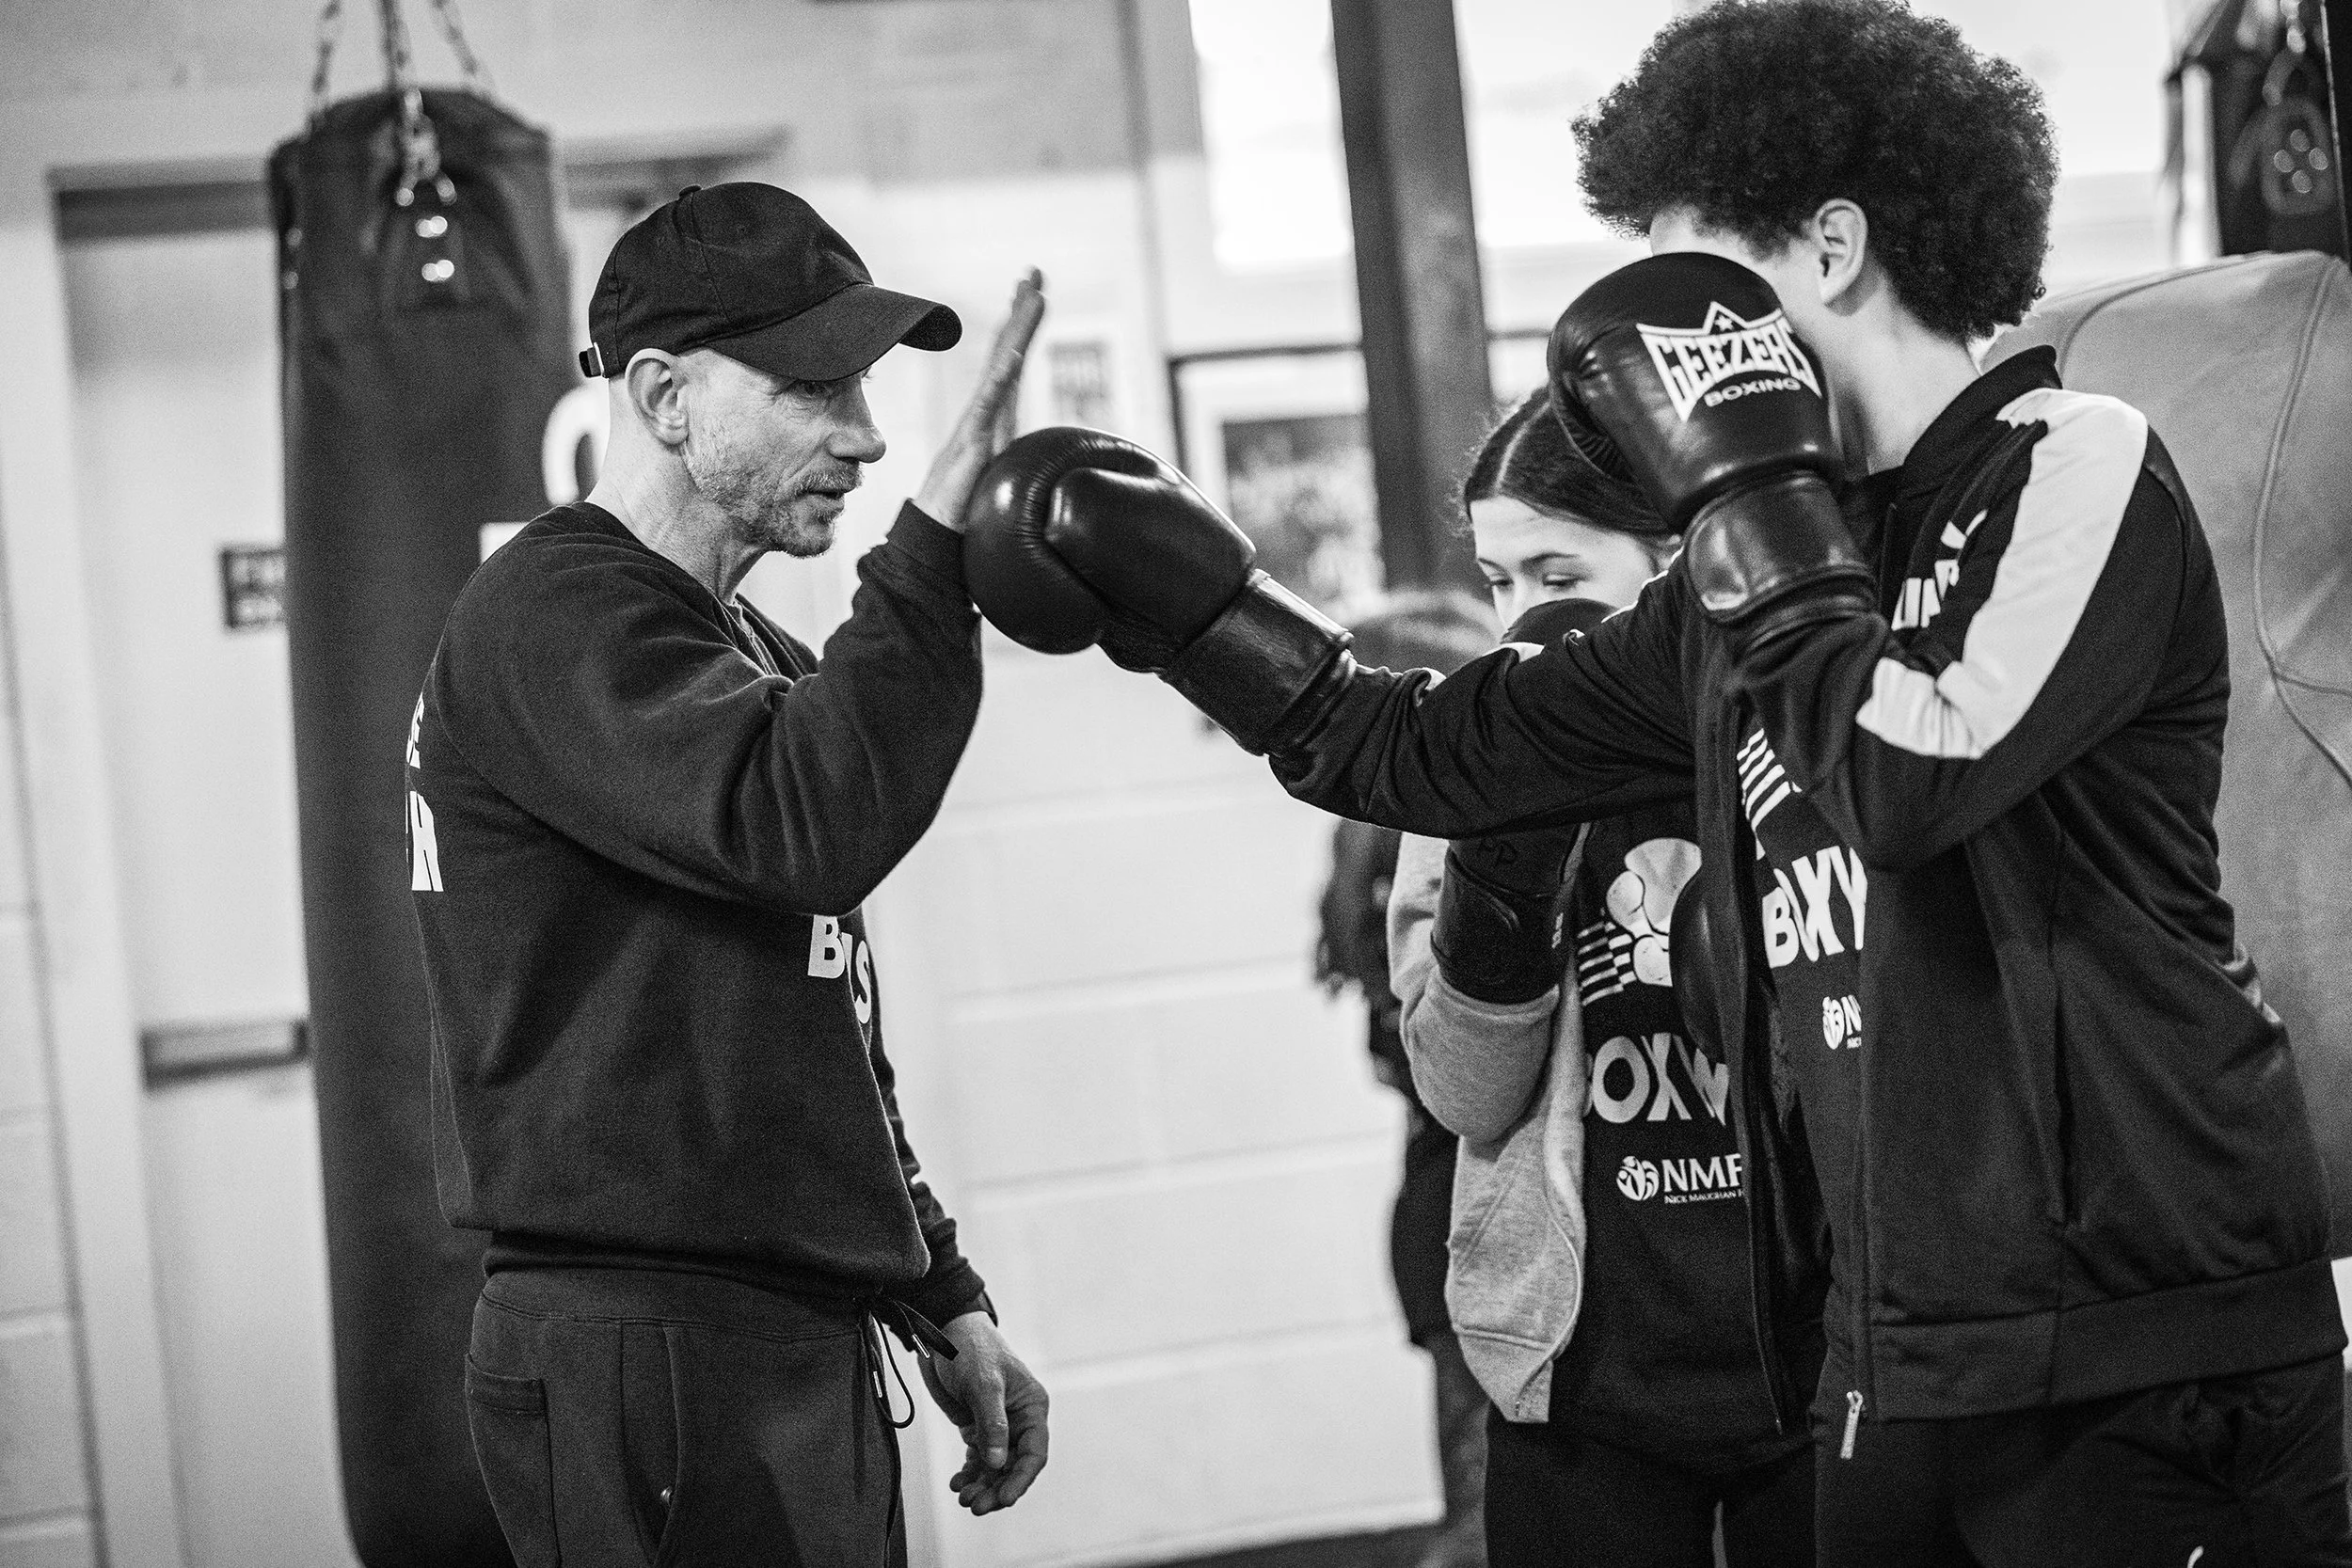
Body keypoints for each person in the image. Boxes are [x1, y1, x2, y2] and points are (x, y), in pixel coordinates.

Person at [956, 4, 2351, 1562]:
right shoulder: (1735, 597)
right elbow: (1417, 747)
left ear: (1831, 248)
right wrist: (1186, 606)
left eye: (1709, 281)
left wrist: (1748, 496)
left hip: (2148, 1351)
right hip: (1893, 1358)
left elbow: (1910, 773)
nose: (1686, 346)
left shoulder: (2074, 461)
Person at [405, 182, 1049, 1567]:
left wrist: (942, 1286)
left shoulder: (750, 657)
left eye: (867, 386)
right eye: (814, 384)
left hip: (779, 1329)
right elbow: (805, 821)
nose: (868, 434)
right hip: (646, 1341)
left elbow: (821, 1017)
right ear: (664, 392)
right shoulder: (549, 614)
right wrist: (934, 552)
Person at [1391, 392, 1813, 1568]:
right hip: (1587, 1374)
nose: (1525, 611)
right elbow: (1469, 1095)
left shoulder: (1793, 736)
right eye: (1498, 578)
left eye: (1557, 569)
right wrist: (1504, 857)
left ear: (1670, 564)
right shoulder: (1464, 772)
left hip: (1813, 1348)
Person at [1314, 590, 1496, 1568]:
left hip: (1453, 1214)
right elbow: (1446, 1073)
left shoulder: (1369, 855)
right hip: (1478, 1217)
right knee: (1487, 1527)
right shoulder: (1416, 854)